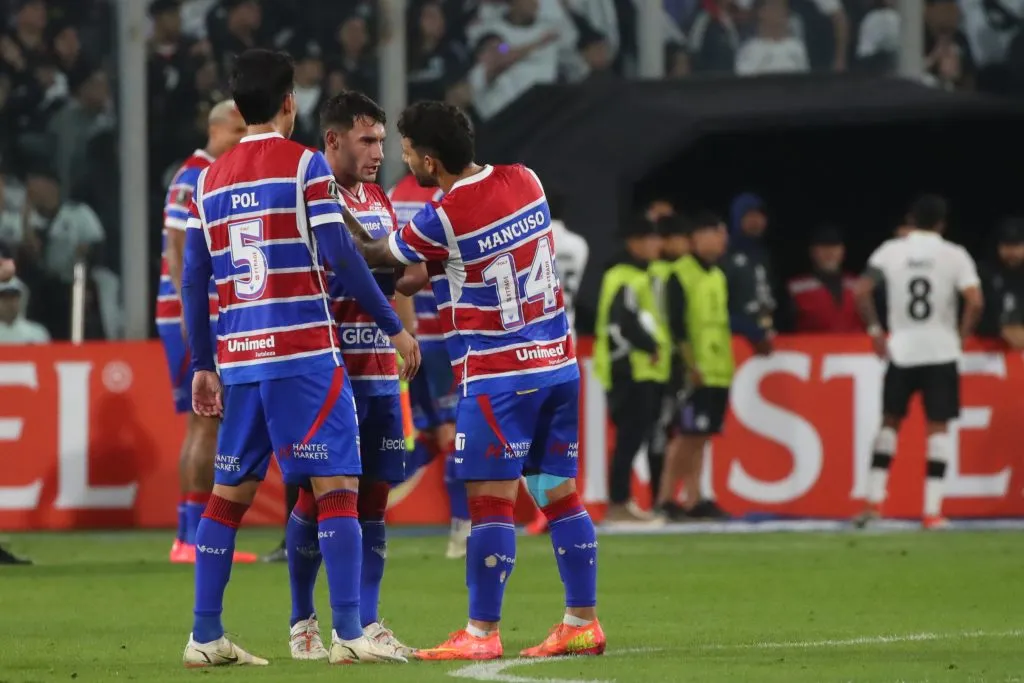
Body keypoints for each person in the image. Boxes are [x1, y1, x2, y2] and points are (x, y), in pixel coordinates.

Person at [178, 49, 420, 667]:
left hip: (241, 358)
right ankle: (348, 631)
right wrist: (392, 326)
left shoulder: (208, 179)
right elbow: (340, 254)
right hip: (306, 351)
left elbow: (193, 276)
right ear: (290, 103)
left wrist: (203, 362)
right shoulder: (305, 166)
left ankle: (205, 637)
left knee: (227, 496)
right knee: (337, 487)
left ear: (238, 108)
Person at [340, 101, 603, 660]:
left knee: (490, 505)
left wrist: (328, 210)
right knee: (558, 495)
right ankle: (581, 621)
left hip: (499, 376)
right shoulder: (525, 180)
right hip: (557, 365)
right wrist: (428, 272)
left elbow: (375, 253)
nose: (403, 158)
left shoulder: (443, 215)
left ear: (430, 160)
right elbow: (462, 258)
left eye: (407, 150)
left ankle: (481, 634)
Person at [310, 90, 423, 657]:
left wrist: (406, 334)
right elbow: (367, 261)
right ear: (333, 139)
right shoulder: (313, 195)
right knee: (316, 503)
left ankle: (368, 623)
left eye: (381, 140)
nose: (379, 151)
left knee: (375, 500)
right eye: (367, 140)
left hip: (378, 372)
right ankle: (304, 622)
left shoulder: (378, 197)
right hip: (329, 370)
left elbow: (397, 274)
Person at [157, 99, 256, 565]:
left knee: (207, 422)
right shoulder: (194, 174)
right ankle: (193, 538)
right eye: (237, 131)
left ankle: (188, 534)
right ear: (216, 130)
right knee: (205, 421)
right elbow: (178, 245)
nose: (243, 139)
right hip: (195, 314)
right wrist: (186, 307)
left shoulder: (212, 175)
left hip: (207, 313)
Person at [853, 195, 983, 530]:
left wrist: (875, 330)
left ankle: (872, 501)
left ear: (911, 219)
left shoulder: (890, 250)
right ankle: (932, 511)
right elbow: (975, 301)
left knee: (889, 424)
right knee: (937, 428)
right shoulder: (955, 255)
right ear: (942, 223)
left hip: (903, 350)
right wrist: (961, 335)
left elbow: (862, 289)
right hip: (941, 350)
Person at [389, 171, 471, 558]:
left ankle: (358, 503)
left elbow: (391, 268)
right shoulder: (446, 198)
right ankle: (463, 529)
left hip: (409, 334)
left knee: (431, 434)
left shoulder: (390, 196)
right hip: (443, 334)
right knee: (450, 433)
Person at [594, 215, 672, 523]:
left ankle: (625, 501)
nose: (657, 244)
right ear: (634, 242)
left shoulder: (643, 274)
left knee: (638, 436)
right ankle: (618, 502)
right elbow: (622, 322)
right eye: (651, 239)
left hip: (646, 370)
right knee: (630, 436)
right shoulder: (623, 276)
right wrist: (650, 346)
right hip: (628, 368)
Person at [660, 213, 733, 520]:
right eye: (711, 234)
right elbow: (677, 324)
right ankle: (665, 498)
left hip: (717, 368)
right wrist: (690, 364)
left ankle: (695, 497)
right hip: (694, 370)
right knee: (686, 435)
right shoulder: (680, 274)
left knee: (702, 437)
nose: (717, 241)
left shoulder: (718, 276)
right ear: (696, 238)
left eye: (720, 235)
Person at [786, 225, 863, 333]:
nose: (829, 253)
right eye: (823, 248)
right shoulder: (796, 287)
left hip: (854, 348)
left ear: (843, 251)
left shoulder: (859, 285)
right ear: (812, 252)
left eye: (835, 247)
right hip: (812, 347)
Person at [977, 218, 1024, 348]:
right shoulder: (984, 272)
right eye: (1006, 246)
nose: (1012, 252)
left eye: (1017, 246)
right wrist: (1000, 329)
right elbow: (975, 310)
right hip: (989, 344)